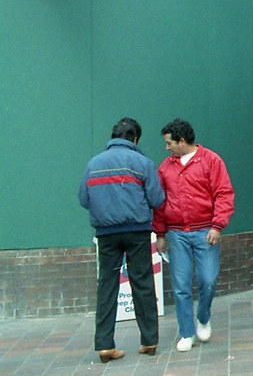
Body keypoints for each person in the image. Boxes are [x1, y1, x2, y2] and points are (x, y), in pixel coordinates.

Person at [78, 117, 165, 363]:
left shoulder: (93, 164)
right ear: (135, 139)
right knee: (142, 283)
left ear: (112, 136)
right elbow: (157, 200)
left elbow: (84, 199)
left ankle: (105, 345)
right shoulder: (142, 162)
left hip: (105, 234)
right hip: (137, 232)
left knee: (107, 286)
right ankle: (149, 340)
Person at [154, 119, 235, 353]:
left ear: (181, 141)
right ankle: (186, 333)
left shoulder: (211, 160)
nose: (166, 147)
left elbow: (223, 193)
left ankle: (203, 316)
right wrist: (160, 234)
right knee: (180, 285)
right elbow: (160, 204)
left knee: (208, 280)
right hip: (177, 233)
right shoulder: (165, 167)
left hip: (205, 231)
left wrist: (217, 225)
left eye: (169, 143)